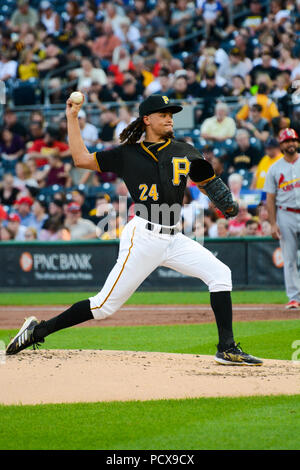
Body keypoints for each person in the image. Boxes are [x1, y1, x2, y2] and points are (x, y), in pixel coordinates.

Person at [6, 94, 262, 367]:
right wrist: (72, 118)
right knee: (104, 306)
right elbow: (80, 159)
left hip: (173, 237)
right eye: (163, 114)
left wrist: (226, 203)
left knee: (221, 274)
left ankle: (227, 348)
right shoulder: (127, 154)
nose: (169, 118)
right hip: (144, 236)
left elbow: (207, 181)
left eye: (171, 114)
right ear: (147, 119)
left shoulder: (185, 150)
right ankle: (36, 331)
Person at [264, 128, 300, 309]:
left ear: (297, 142)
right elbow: (270, 198)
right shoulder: (274, 168)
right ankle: (294, 297)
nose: (290, 144)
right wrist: (272, 223)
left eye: (293, 140)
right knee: (290, 257)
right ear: (281, 145)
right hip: (286, 214)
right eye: (286, 141)